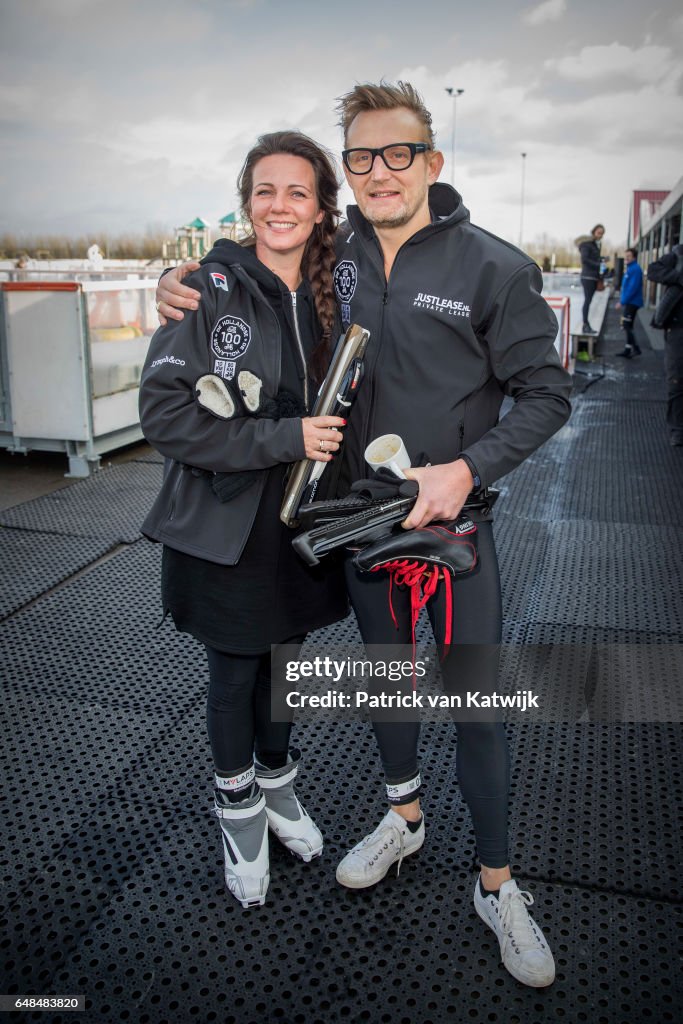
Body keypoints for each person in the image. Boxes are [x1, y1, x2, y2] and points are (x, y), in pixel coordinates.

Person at [156, 81, 572, 989]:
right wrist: (179, 283)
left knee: (474, 706)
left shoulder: (492, 268)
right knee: (387, 683)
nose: (380, 172)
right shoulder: (328, 254)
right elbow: (247, 266)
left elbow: (547, 394)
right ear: (345, 173)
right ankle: (402, 816)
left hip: (455, 523)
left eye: (398, 154)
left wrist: (466, 470)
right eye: (361, 157)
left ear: (431, 161)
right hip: (357, 523)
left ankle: (497, 882)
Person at [139, 131, 349, 909]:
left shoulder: (338, 290)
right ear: (246, 201)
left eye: (297, 191)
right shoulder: (210, 287)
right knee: (233, 673)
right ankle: (237, 810)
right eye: (265, 190)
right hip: (224, 525)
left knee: (283, 668)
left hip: (301, 525)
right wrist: (279, 437)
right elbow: (162, 413)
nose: (279, 206)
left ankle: (278, 785)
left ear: (322, 207)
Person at [647, 244, 683, 446]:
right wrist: (678, 277)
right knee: (677, 380)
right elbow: (653, 270)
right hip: (678, 329)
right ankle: (678, 430)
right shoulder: (679, 255)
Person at [575, 223, 605, 333]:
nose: (600, 235)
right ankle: (585, 325)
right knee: (587, 301)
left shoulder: (596, 244)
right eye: (598, 233)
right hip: (588, 277)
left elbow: (594, 258)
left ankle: (586, 324)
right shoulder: (586, 244)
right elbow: (585, 260)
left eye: (602, 234)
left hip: (593, 276)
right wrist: (599, 264)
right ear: (593, 232)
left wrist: (602, 259)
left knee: (589, 300)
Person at [616, 247, 644, 358]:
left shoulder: (635, 269)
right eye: (626, 256)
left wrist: (622, 302)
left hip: (633, 302)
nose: (626, 258)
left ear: (634, 257)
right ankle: (628, 350)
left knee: (626, 324)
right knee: (629, 326)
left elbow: (632, 288)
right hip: (630, 302)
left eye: (629, 256)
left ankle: (636, 349)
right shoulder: (630, 268)